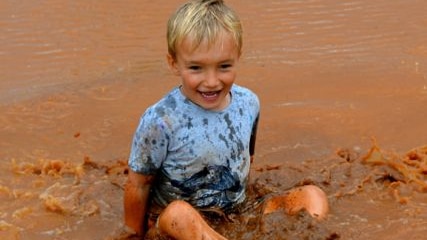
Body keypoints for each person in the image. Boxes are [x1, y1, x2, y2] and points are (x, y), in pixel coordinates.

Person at [123, 0, 328, 239]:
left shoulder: (248, 103)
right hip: (179, 224)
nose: (211, 81)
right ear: (174, 64)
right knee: (180, 214)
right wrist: (133, 235)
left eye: (224, 66)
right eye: (196, 68)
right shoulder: (160, 120)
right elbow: (138, 185)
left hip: (236, 213)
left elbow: (245, 160)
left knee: (313, 196)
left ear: (237, 57)